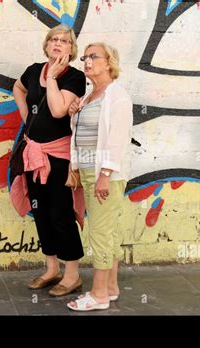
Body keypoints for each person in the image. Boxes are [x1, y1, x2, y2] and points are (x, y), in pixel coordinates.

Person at [11, 24, 86, 296]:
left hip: (59, 157)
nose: (57, 44)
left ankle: (72, 274)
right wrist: (26, 117)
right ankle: (52, 268)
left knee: (61, 215)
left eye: (64, 41)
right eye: (53, 39)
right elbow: (18, 88)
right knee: (40, 212)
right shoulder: (33, 71)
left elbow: (57, 111)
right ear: (46, 45)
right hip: (33, 154)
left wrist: (53, 78)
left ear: (71, 49)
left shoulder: (74, 78)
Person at [66, 43, 133, 311]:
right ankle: (112, 288)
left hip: (104, 174)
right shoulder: (89, 97)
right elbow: (81, 134)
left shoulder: (116, 97)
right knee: (110, 231)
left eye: (94, 56)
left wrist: (105, 175)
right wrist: (75, 111)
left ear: (109, 62)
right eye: (85, 57)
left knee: (100, 233)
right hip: (88, 172)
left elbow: (116, 140)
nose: (87, 61)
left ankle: (99, 295)